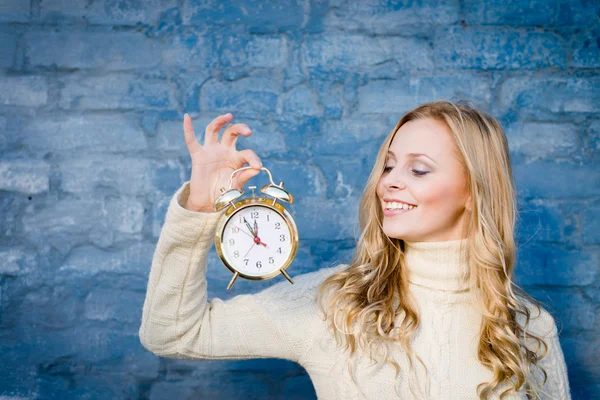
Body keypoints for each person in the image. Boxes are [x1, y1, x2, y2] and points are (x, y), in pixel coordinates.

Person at [139, 100, 571, 399]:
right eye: (389, 164)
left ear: (475, 192)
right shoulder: (334, 303)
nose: (389, 181)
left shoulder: (530, 328)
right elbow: (173, 331)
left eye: (418, 169)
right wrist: (198, 206)